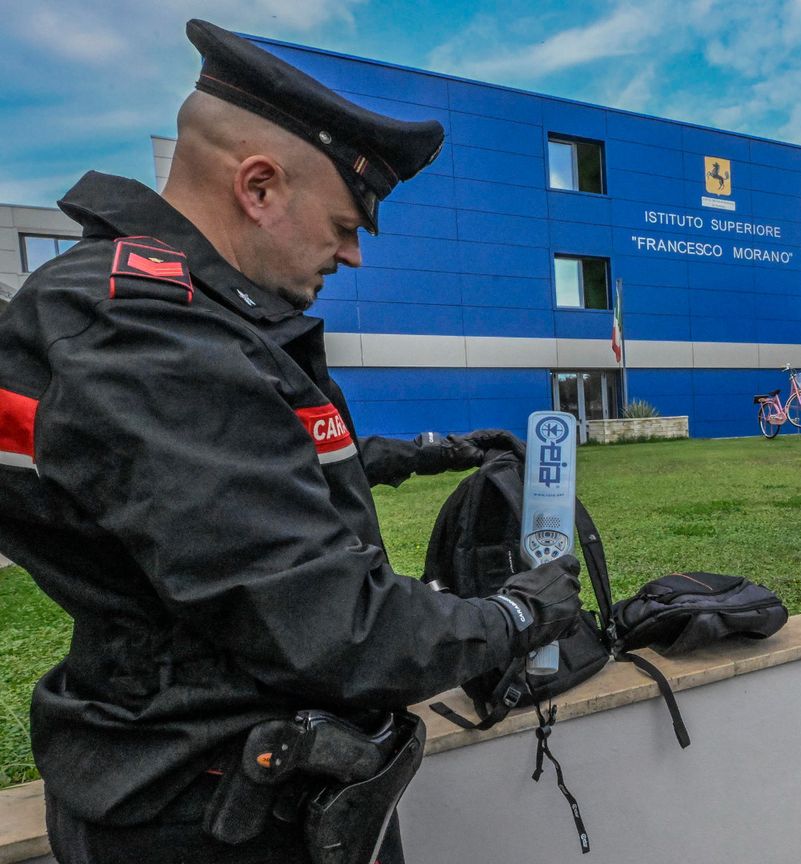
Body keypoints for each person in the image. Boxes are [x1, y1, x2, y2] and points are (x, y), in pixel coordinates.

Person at [0, 20, 581, 864]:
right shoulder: (148, 335)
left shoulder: (167, 312)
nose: (351, 256)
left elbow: (239, 478)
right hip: (216, 819)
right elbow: (337, 628)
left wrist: (427, 449)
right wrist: (519, 612)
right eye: (347, 224)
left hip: (217, 787)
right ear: (261, 186)